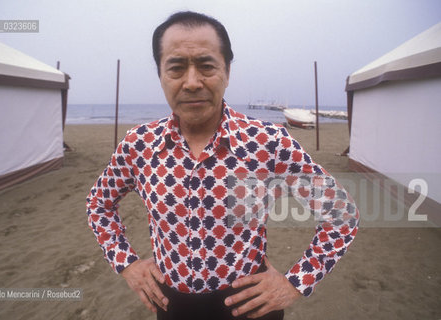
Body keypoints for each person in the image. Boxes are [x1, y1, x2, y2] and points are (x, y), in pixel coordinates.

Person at [86, 11, 359, 320]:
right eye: (176, 68)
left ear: (227, 72)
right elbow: (99, 204)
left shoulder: (267, 142)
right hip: (173, 307)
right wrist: (127, 264)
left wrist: (295, 283)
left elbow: (342, 214)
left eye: (206, 66)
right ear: (161, 74)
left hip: (251, 307)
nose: (192, 82)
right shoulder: (139, 145)